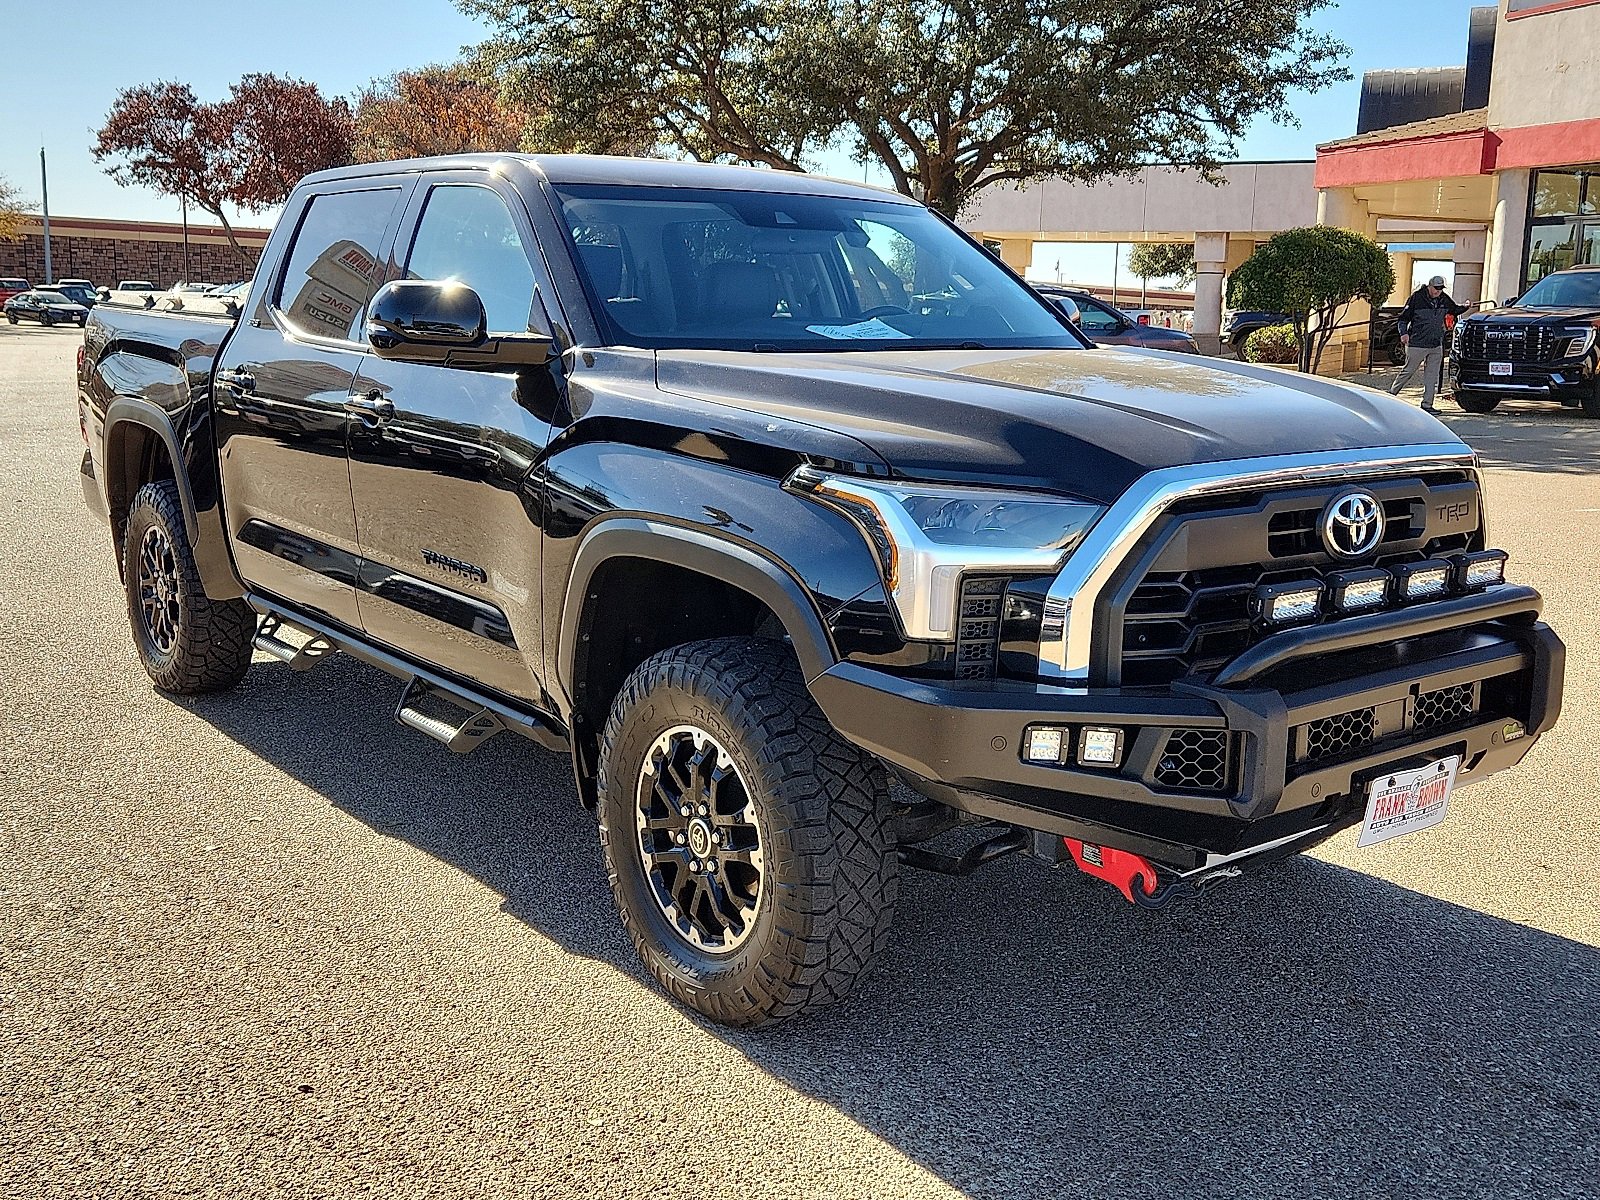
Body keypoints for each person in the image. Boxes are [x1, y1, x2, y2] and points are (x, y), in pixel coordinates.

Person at [1389, 275, 1469, 412]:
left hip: (1436, 344)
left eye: (1441, 288)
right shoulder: (1417, 297)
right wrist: (1404, 333)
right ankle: (1389, 397)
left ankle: (1427, 404)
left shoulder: (1444, 298)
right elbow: (1403, 319)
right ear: (1429, 286)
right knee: (1407, 371)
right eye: (1436, 288)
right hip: (1417, 343)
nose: (1438, 291)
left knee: (1431, 376)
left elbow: (1454, 309)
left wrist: (1466, 307)